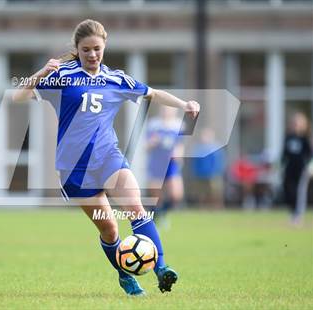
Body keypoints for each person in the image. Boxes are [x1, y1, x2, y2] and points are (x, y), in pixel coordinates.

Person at [13, 19, 199, 296]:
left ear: (104, 47)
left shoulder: (116, 78)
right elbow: (18, 97)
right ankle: (125, 277)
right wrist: (41, 72)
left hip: (108, 158)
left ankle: (161, 268)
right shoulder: (62, 76)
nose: (92, 54)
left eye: (97, 48)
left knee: (136, 207)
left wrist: (185, 104)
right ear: (77, 49)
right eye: (86, 49)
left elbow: (153, 93)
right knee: (110, 228)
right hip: (75, 169)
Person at [146, 105, 184, 227]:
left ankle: (163, 213)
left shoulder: (178, 125)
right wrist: (153, 142)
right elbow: (146, 146)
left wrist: (179, 154)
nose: (167, 111)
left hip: (171, 163)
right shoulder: (154, 124)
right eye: (164, 109)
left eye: (169, 109)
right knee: (156, 194)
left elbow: (180, 144)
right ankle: (155, 216)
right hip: (157, 162)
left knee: (176, 195)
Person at [282, 112, 313, 225]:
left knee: (300, 192)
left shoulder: (305, 139)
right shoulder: (288, 138)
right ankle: (292, 213)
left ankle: (299, 215)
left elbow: (310, 154)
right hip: (289, 169)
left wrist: (308, 166)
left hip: (301, 170)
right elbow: (284, 154)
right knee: (289, 191)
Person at [191, 128, 225, 208]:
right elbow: (195, 162)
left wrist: (217, 172)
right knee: (201, 192)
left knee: (215, 192)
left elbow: (219, 162)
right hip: (200, 174)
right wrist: (195, 172)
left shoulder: (216, 148)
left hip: (213, 174)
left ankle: (217, 207)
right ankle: (202, 207)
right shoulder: (198, 148)